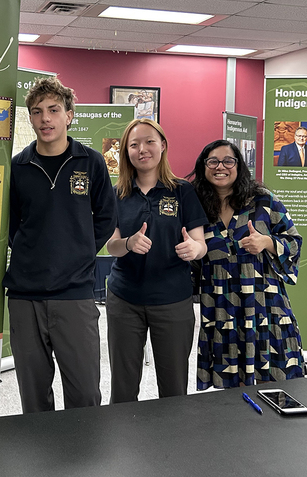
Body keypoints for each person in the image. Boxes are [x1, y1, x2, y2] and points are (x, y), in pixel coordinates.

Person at [5, 76, 117, 413]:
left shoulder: (91, 161)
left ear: (69, 115)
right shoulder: (19, 167)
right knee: (33, 395)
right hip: (26, 295)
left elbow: (106, 217)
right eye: (37, 112)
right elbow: (11, 226)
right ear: (30, 119)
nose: (45, 119)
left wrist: (79, 252)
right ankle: (42, 462)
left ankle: (83, 462)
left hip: (74, 293)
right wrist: (33, 252)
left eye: (54, 110)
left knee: (84, 393)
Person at [105, 119, 207, 402]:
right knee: (123, 387)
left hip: (172, 300)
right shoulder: (117, 194)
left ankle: (171, 444)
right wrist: (128, 243)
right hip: (125, 299)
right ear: (126, 152)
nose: (142, 149)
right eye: (134, 144)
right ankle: (123, 442)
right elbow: (111, 246)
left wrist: (193, 249)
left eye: (149, 141)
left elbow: (201, 244)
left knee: (173, 387)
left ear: (163, 145)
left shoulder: (182, 191)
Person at [190, 139, 305, 390]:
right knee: (230, 383)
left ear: (239, 166)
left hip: (262, 301)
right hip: (220, 303)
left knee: (269, 376)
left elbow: (294, 241)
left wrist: (267, 242)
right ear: (203, 166)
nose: (221, 167)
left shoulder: (263, 201)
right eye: (213, 161)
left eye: (228, 161)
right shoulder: (195, 204)